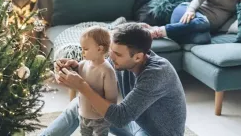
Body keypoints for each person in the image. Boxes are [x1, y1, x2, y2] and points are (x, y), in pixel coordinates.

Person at [40, 23, 186, 136]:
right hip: (135, 122)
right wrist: (76, 67)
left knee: (92, 99)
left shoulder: (157, 73)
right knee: (78, 105)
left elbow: (119, 118)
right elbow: (99, 68)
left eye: (117, 54)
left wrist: (82, 86)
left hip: (156, 133)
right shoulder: (120, 61)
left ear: (138, 57)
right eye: (111, 51)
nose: (111, 57)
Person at [75, 26, 118, 136]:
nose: (82, 52)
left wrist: (100, 108)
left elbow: (112, 100)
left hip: (100, 118)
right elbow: (73, 79)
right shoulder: (83, 64)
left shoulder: (107, 70)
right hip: (83, 114)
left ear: (99, 49)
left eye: (85, 49)